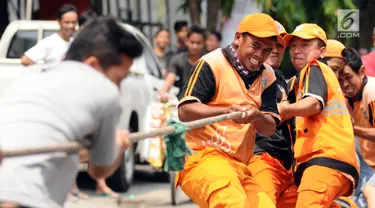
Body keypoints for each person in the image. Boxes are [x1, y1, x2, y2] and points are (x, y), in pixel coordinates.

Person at [0, 16, 143, 208]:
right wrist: (118, 144)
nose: (119, 88)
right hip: (24, 199)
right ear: (93, 65)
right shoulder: (105, 92)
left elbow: (51, 144)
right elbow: (99, 169)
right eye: (119, 78)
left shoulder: (30, 77)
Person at [176, 13, 284, 207]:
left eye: (266, 50)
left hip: (240, 166)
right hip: (202, 157)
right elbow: (185, 111)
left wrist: (256, 115)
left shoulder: (268, 76)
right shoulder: (212, 63)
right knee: (232, 203)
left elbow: (268, 128)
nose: (259, 55)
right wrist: (225, 112)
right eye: (255, 46)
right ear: (237, 38)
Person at [279, 23, 359, 207]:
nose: (297, 51)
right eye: (294, 46)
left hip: (326, 158)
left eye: (305, 45)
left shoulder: (314, 67)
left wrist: (284, 110)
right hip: (324, 160)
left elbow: (314, 104)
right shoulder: (302, 79)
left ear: (322, 51)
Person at [247, 20, 297, 208]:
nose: (275, 49)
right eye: (270, 45)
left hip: (287, 165)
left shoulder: (282, 79)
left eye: (280, 45)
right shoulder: (251, 75)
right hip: (262, 158)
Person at [339, 48, 375, 208]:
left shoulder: (371, 92)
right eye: (340, 80)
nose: (345, 84)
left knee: (370, 190)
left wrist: (353, 129)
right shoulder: (348, 98)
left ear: (361, 71)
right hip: (368, 164)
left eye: (348, 77)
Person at [159, 25, 206, 101]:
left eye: (198, 43)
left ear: (203, 43)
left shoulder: (209, 61)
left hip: (205, 104)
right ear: (186, 41)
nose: (195, 46)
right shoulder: (178, 59)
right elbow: (170, 78)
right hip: (183, 102)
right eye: (192, 42)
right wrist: (163, 92)